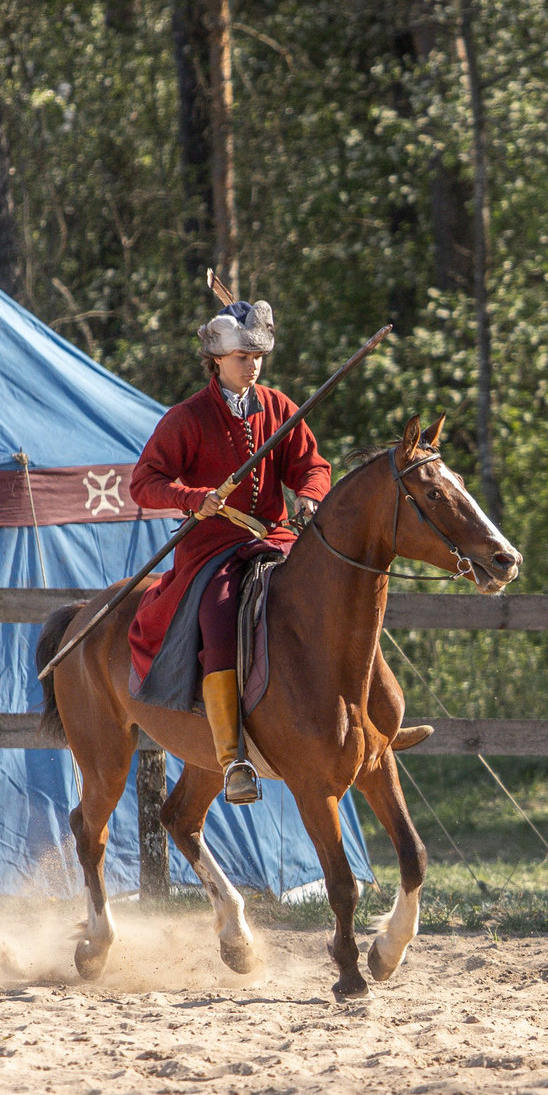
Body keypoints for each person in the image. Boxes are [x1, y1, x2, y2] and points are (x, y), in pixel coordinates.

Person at [128, 286, 332, 805]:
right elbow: (144, 483)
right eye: (243, 357)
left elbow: (312, 466)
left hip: (276, 539)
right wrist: (195, 498)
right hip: (213, 550)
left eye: (258, 357)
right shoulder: (187, 418)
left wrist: (309, 497)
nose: (253, 367)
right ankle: (232, 757)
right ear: (216, 360)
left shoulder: (280, 407)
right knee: (219, 619)